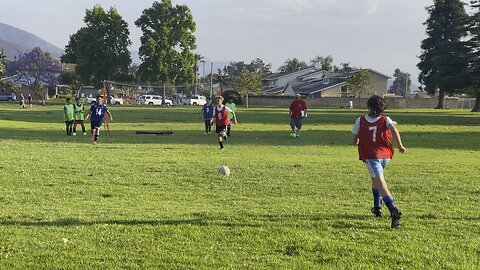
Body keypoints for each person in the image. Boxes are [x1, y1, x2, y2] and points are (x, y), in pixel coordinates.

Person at [351, 95, 406, 228]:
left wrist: (357, 141)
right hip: (385, 156)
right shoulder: (386, 119)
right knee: (375, 180)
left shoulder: (361, 120)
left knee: (381, 184)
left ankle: (393, 210)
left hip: (372, 156)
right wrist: (399, 145)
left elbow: (353, 140)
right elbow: (394, 129)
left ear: (369, 106)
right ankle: (377, 207)